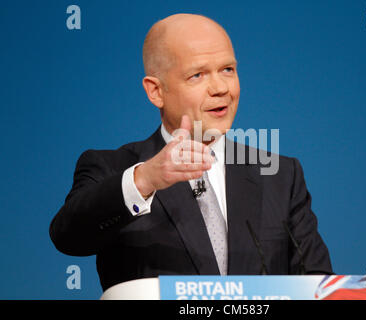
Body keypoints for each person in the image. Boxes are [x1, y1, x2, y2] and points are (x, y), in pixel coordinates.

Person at [50, 13, 333, 291]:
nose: (221, 88)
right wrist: (145, 180)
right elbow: (68, 237)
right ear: (156, 92)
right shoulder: (113, 168)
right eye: (197, 75)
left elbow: (318, 284)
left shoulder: (280, 175)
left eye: (228, 70)